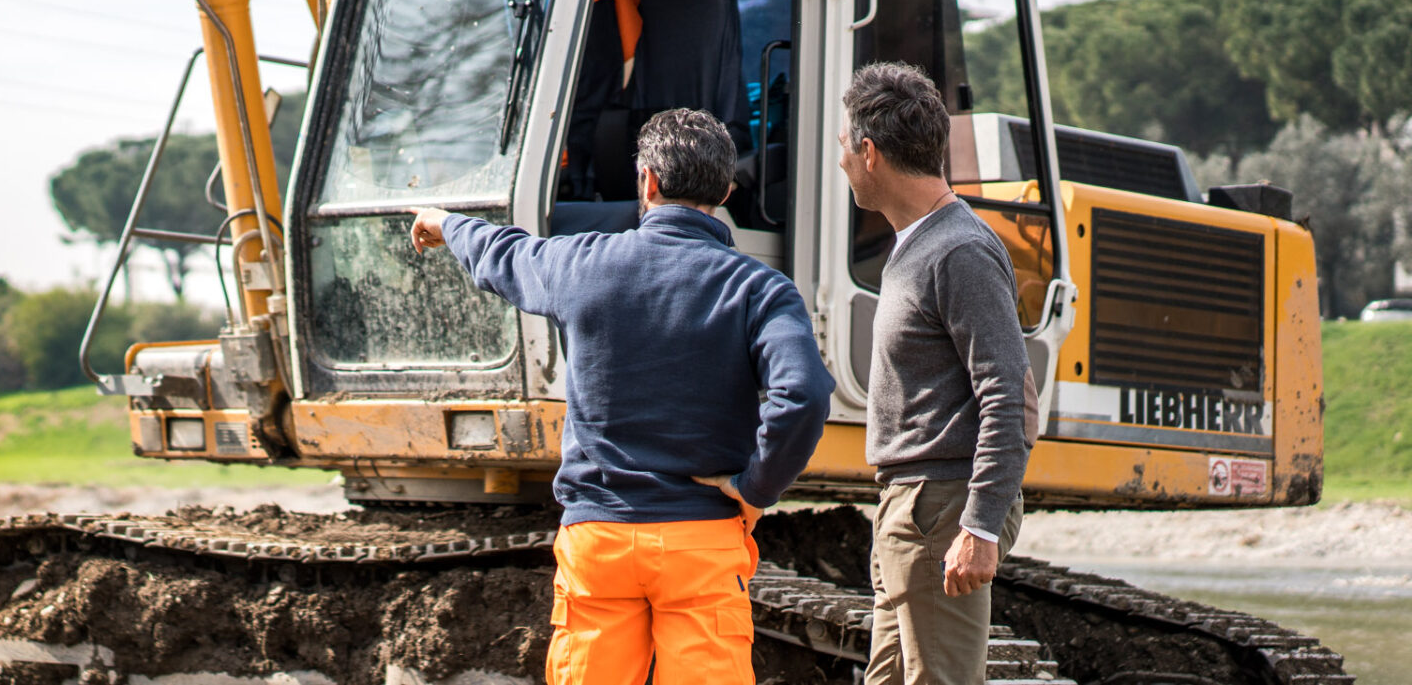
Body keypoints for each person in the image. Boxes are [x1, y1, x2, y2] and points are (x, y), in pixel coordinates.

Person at [410, 107, 833, 685]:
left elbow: (503, 254)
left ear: (648, 182)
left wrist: (445, 221)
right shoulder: (760, 289)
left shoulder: (582, 263)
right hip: (701, 539)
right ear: (727, 191)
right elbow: (803, 395)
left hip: (599, 541)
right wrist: (756, 487)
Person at [837, 62, 1036, 685]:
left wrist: (978, 524)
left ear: (869, 153)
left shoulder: (960, 249)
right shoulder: (917, 243)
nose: (842, 162)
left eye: (845, 148)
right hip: (912, 504)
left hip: (941, 505)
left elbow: (1009, 395)